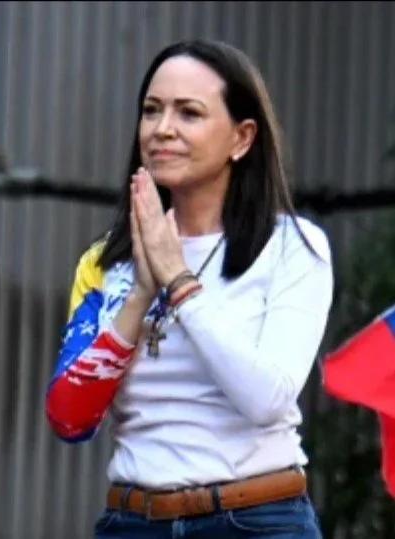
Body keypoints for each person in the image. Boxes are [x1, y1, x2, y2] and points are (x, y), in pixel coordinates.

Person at [44, 39, 333, 538]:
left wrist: (180, 283)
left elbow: (267, 399)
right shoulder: (105, 262)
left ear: (242, 138)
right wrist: (139, 293)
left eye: (189, 113)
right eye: (151, 111)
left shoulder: (293, 247)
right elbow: (70, 419)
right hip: (134, 522)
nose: (163, 129)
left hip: (257, 520)